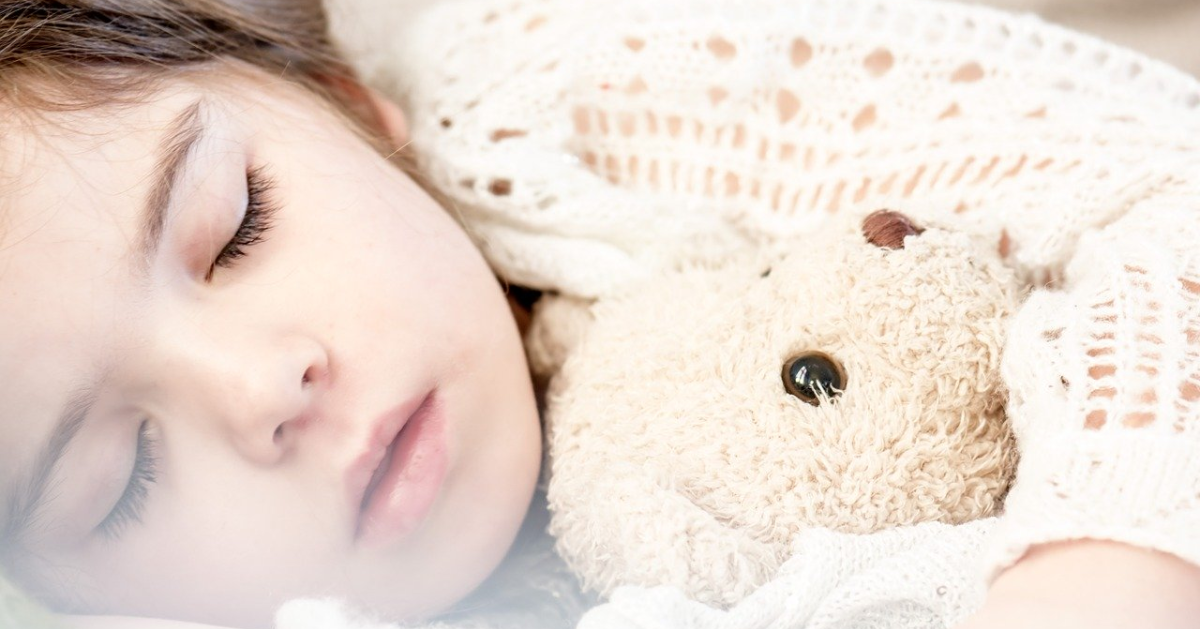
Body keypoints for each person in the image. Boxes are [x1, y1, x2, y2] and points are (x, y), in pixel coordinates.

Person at [0, 1, 1197, 629]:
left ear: (350, 107)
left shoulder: (553, 89)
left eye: (241, 225)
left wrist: (1114, 562)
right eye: (121, 475)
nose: (264, 387)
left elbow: (1163, 169)